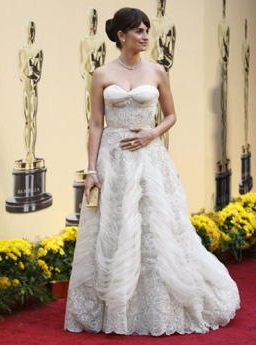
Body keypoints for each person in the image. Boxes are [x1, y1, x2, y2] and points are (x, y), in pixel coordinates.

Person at [64, 7, 239, 336]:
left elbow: (171, 115)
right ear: (122, 36)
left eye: (147, 30)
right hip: (113, 160)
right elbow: (96, 124)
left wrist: (151, 133)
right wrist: (90, 169)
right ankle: (115, 311)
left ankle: (159, 308)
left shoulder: (157, 71)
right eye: (139, 31)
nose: (145, 36)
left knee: (156, 230)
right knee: (115, 232)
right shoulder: (101, 74)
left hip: (150, 158)